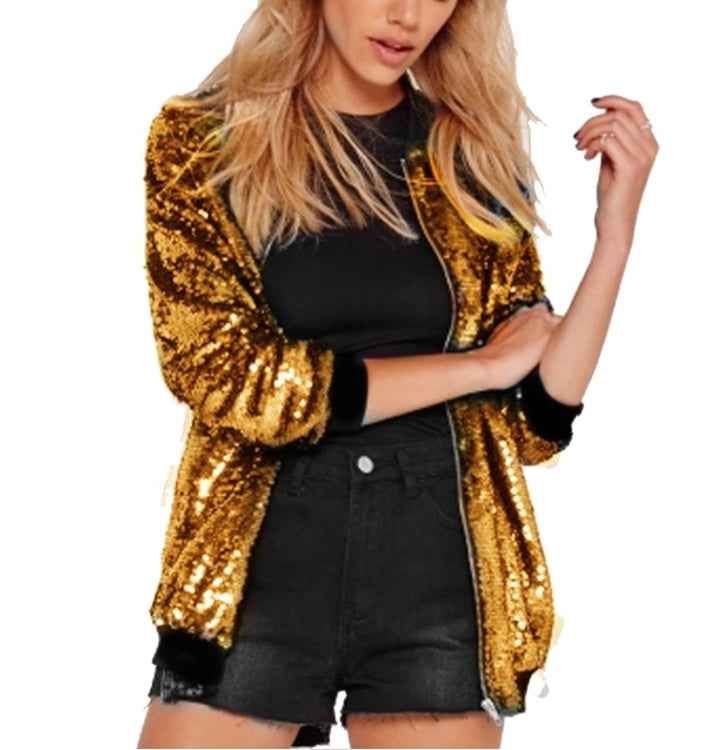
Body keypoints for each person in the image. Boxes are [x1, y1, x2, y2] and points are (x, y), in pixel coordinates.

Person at [137, 1, 658, 748]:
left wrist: (615, 233)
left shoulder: (466, 153)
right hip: (258, 565)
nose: (407, 15)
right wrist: (475, 367)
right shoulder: (203, 141)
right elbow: (227, 377)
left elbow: (536, 420)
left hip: (436, 566)